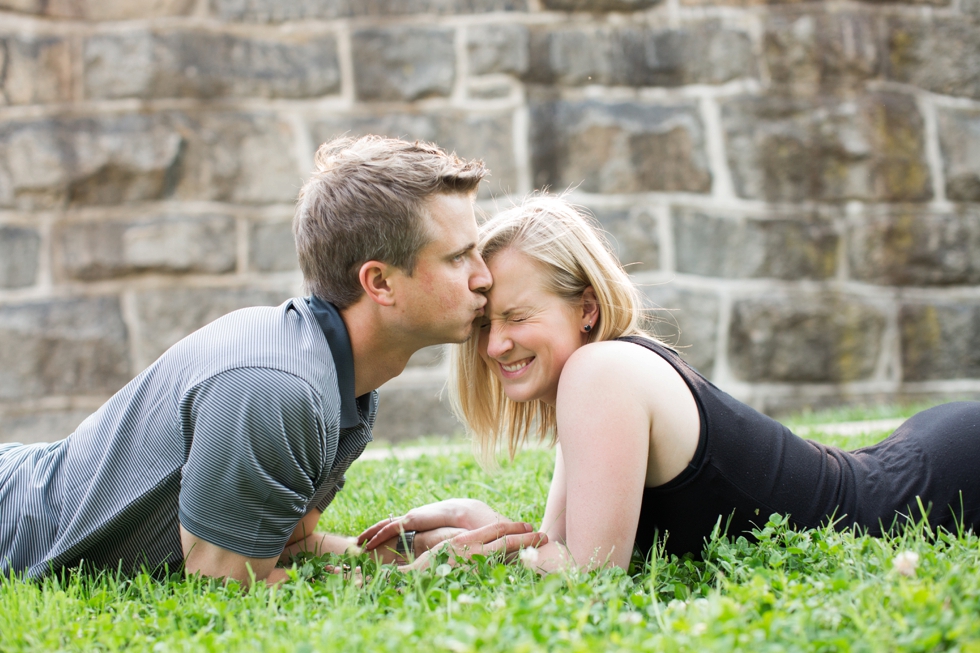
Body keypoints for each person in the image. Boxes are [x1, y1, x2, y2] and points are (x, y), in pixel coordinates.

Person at [0, 136, 544, 584]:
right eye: (458, 257)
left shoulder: (341, 374)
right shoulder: (276, 387)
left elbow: (287, 541)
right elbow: (222, 583)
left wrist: (392, 551)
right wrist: (415, 580)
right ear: (379, 282)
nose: (484, 275)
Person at [359, 195, 980, 573]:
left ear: (587, 311)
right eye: (489, 324)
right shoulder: (598, 376)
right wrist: (482, 522)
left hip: (941, 477)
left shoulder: (600, 372)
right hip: (920, 451)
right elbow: (565, 549)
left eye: (520, 318)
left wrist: (481, 555)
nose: (496, 345)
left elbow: (588, 581)